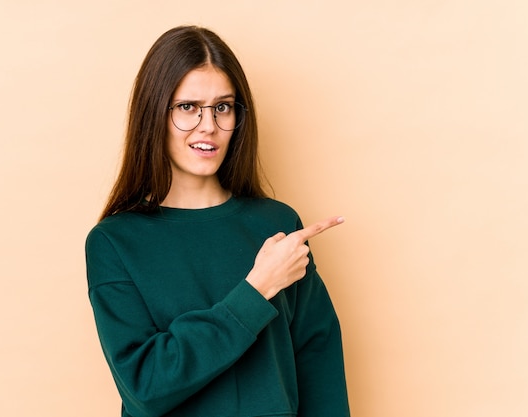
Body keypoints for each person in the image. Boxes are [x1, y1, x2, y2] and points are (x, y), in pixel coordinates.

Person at [85, 25, 351, 417]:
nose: (208, 125)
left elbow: (318, 360)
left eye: (222, 107)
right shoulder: (115, 242)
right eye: (188, 107)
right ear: (154, 114)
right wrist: (256, 290)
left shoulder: (278, 225)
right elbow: (146, 388)